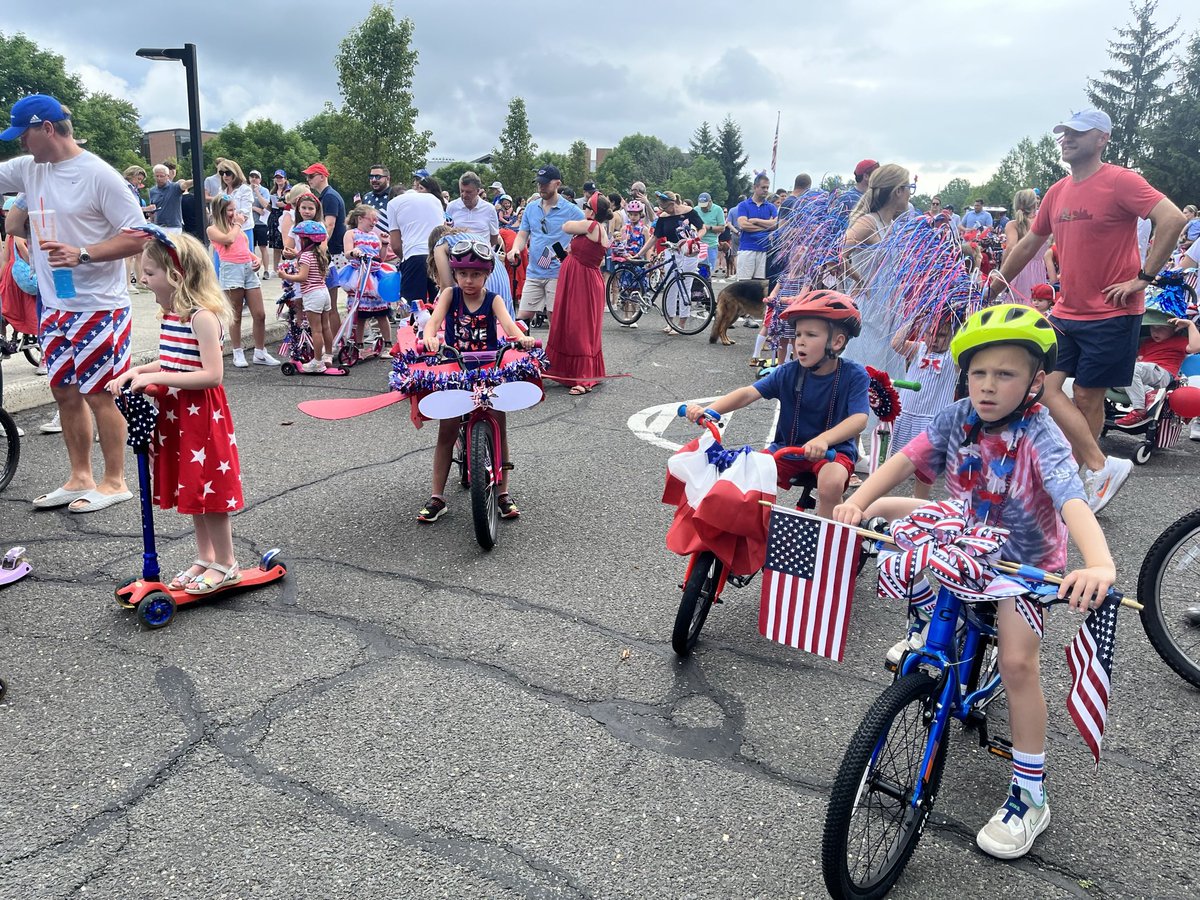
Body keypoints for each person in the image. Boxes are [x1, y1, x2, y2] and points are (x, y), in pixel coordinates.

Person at [833, 303, 1116, 861]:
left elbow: (1073, 501)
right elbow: (904, 459)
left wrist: (1099, 564)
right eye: (979, 372)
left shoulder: (1042, 433)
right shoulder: (958, 415)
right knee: (892, 517)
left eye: (1005, 374)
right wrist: (856, 500)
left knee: (1016, 661)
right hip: (963, 541)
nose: (987, 386)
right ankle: (925, 627)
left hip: (1022, 563)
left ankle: (1030, 794)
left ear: (1036, 381)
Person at [989, 109, 1186, 512]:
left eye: (1078, 133)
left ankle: (1084, 477)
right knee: (1043, 385)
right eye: (1064, 132)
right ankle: (1099, 465)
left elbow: (1171, 219)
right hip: (1067, 311)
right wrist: (997, 280)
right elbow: (1029, 244)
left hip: (1113, 312)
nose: (1067, 139)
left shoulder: (1120, 180)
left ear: (1102, 139)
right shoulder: (1058, 191)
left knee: (1085, 395)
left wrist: (1144, 278)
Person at [0, 93, 145, 512]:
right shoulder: (32, 168)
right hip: (54, 305)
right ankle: (80, 476)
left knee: (101, 392)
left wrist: (84, 253)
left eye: (24, 134)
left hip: (99, 305)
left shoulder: (99, 175)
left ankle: (114, 480)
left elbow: (138, 234)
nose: (20, 144)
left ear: (47, 128)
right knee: (64, 391)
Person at [109, 226, 245, 593]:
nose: (143, 280)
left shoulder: (202, 316)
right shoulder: (171, 316)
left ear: (176, 275)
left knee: (209, 489)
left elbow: (212, 375)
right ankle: (205, 556)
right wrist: (136, 372)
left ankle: (227, 561)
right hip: (175, 413)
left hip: (201, 414)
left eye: (149, 273)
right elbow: (172, 361)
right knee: (191, 486)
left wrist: (164, 379)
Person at [685, 291, 869, 518]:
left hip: (833, 452)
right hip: (787, 448)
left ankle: (827, 541)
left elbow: (859, 419)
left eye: (811, 334)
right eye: (798, 333)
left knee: (830, 485)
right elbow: (748, 393)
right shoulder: (788, 372)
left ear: (837, 342)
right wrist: (709, 410)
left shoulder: (854, 375)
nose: (800, 340)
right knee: (748, 476)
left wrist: (824, 440)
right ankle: (754, 537)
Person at [418, 241, 536, 523]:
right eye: (462, 274)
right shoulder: (449, 295)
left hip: (489, 368)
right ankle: (437, 496)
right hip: (455, 367)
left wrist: (521, 338)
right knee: (447, 430)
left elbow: (509, 327)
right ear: (455, 274)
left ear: (487, 274)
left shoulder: (493, 299)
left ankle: (504, 492)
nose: (468, 280)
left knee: (500, 425)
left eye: (475, 274)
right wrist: (430, 337)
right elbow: (433, 323)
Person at [545, 192, 611, 395]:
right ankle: (569, 371)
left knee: (579, 326)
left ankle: (583, 378)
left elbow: (565, 226)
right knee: (572, 324)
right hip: (580, 278)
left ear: (592, 211)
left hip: (582, 281)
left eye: (587, 207)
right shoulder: (598, 229)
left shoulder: (591, 226)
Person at [888, 313, 959, 499]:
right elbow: (896, 344)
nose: (934, 340)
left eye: (942, 335)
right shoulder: (918, 349)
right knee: (897, 461)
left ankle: (919, 501)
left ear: (952, 335)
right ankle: (883, 496)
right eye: (929, 333)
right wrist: (915, 317)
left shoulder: (954, 357)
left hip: (932, 420)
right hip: (908, 414)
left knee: (925, 469)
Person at [508, 165, 584, 325]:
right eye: (539, 183)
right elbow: (522, 234)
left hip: (557, 272)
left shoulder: (571, 210)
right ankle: (522, 350)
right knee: (522, 317)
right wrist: (515, 248)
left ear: (557, 184)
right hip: (534, 271)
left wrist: (572, 251)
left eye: (545, 183)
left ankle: (556, 350)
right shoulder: (530, 208)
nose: (541, 187)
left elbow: (589, 231)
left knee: (554, 317)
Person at [207, 194, 276, 368]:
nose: (234, 213)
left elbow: (243, 248)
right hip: (231, 270)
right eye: (230, 210)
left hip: (247, 268)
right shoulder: (214, 229)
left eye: (234, 209)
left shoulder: (236, 228)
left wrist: (256, 259)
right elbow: (229, 241)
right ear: (220, 211)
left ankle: (260, 352)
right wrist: (238, 224)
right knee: (235, 314)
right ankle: (237, 351)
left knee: (259, 314)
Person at [1114, 311, 1200, 426]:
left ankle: (1139, 410)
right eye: (1152, 327)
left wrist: (1190, 324)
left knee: (1131, 370)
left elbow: (1195, 347)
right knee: (1115, 376)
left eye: (1161, 328)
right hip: (1143, 373)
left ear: (1174, 329)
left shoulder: (1178, 341)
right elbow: (1138, 360)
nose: (1155, 331)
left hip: (1163, 372)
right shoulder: (1147, 342)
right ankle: (1150, 394)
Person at [277, 221, 334, 372]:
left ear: (304, 240)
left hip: (312, 295)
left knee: (316, 330)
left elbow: (303, 277)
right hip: (323, 292)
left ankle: (317, 362)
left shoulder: (305, 257)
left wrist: (285, 275)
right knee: (325, 326)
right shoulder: (320, 255)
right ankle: (328, 354)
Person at [388, 171, 446, 317]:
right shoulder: (435, 200)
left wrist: (404, 257)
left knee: (412, 310)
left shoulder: (393, 204)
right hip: (438, 255)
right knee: (439, 306)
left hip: (413, 256)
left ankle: (412, 336)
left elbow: (395, 245)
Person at [652, 191, 706, 333]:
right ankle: (670, 322)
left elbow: (702, 228)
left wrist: (694, 240)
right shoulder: (663, 217)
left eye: (665, 206)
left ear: (672, 203)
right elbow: (655, 237)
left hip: (688, 251)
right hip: (672, 250)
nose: (664, 210)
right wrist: (640, 253)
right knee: (670, 287)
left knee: (685, 285)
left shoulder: (689, 212)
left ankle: (682, 323)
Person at [302, 163, 347, 333]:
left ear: (322, 176)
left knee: (331, 301)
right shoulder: (327, 196)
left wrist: (320, 249)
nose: (309, 180)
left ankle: (334, 338)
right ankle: (334, 338)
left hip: (334, 252)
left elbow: (329, 225)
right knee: (330, 300)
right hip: (333, 250)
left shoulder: (329, 197)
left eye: (311, 176)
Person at [342, 204, 389, 349]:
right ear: (360, 219)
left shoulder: (374, 235)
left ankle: (388, 343)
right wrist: (354, 252)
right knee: (360, 313)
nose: (374, 223)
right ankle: (359, 344)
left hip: (375, 275)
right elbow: (347, 253)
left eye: (376, 220)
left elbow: (381, 258)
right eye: (372, 219)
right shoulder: (351, 233)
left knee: (382, 312)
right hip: (359, 274)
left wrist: (385, 245)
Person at [1001, 189, 1047, 302]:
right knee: (1036, 304)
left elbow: (1011, 247)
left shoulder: (1013, 225)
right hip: (1039, 270)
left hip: (1018, 269)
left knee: (1017, 307)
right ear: (1035, 203)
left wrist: (1002, 271)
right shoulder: (1044, 221)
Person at [734, 173, 778, 283]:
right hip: (747, 248)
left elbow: (776, 224)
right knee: (744, 284)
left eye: (767, 187)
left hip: (764, 250)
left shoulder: (771, 207)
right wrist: (767, 227)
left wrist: (756, 221)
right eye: (763, 187)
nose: (766, 190)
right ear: (755, 187)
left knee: (760, 285)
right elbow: (743, 225)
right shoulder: (744, 205)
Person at [446, 171, 501, 248]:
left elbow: (494, 237)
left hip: (482, 255)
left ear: (478, 191)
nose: (464, 195)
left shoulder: (489, 209)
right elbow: (447, 233)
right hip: (457, 255)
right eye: (462, 191)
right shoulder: (451, 207)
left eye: (468, 192)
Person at [148, 164, 190, 235]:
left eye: (161, 176)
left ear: (167, 176)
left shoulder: (175, 187)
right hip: (159, 226)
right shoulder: (152, 191)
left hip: (173, 227)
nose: (159, 178)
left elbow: (185, 185)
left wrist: (197, 179)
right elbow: (153, 210)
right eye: (157, 176)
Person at [694, 192, 726, 275]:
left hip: (711, 245)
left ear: (710, 201)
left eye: (705, 206)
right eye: (701, 206)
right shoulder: (696, 209)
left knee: (707, 271)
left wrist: (709, 227)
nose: (703, 208)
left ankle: (706, 286)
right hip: (697, 245)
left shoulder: (718, 209)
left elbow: (722, 228)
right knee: (696, 271)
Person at [265, 170, 289, 272]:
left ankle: (286, 266)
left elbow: (292, 204)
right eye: (277, 178)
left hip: (284, 217)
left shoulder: (289, 191)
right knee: (275, 245)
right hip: (274, 218)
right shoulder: (273, 192)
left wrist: (284, 205)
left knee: (286, 244)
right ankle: (275, 269)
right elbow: (270, 207)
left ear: (285, 179)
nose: (279, 180)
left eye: (281, 177)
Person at [361, 164, 392, 243]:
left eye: (378, 177)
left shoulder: (395, 196)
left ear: (387, 178)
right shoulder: (367, 197)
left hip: (390, 244)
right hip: (370, 244)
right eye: (371, 177)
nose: (374, 180)